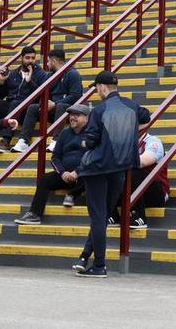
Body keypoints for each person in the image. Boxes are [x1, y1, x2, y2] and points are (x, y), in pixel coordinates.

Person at [74, 70, 151, 278]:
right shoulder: (132, 106)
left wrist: (82, 143)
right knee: (103, 215)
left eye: (97, 88)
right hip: (120, 167)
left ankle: (99, 265)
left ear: (101, 87)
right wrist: (132, 131)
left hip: (97, 168)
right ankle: (85, 256)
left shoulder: (99, 111)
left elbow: (90, 141)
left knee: (98, 217)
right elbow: (147, 117)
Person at [15, 103, 90, 225]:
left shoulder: (92, 134)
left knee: (94, 173)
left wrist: (77, 172)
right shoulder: (64, 134)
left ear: (86, 118)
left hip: (83, 175)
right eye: (71, 115)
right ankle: (34, 214)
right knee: (45, 180)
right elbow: (55, 157)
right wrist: (62, 172)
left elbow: (92, 157)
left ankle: (72, 194)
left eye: (77, 115)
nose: (73, 118)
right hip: (65, 175)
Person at [14, 48, 83, 153]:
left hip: (68, 111)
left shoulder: (73, 74)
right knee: (33, 107)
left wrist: (55, 104)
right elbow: (42, 92)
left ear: (54, 61)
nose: (46, 64)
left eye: (48, 61)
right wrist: (29, 81)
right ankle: (23, 140)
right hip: (53, 111)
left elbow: (76, 96)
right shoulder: (50, 75)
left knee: (61, 106)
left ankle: (56, 141)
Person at [0, 46, 49, 151]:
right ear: (21, 58)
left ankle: (6, 140)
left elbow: (42, 95)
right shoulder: (13, 73)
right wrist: (1, 82)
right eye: (27, 58)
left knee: (15, 103)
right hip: (11, 107)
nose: (30, 61)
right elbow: (0, 95)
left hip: (27, 110)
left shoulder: (41, 74)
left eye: (33, 58)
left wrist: (29, 81)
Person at [125, 125, 168, 229]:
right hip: (130, 191)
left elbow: (142, 162)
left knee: (133, 168)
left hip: (155, 192)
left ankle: (139, 217)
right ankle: (112, 215)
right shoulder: (124, 143)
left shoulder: (153, 141)